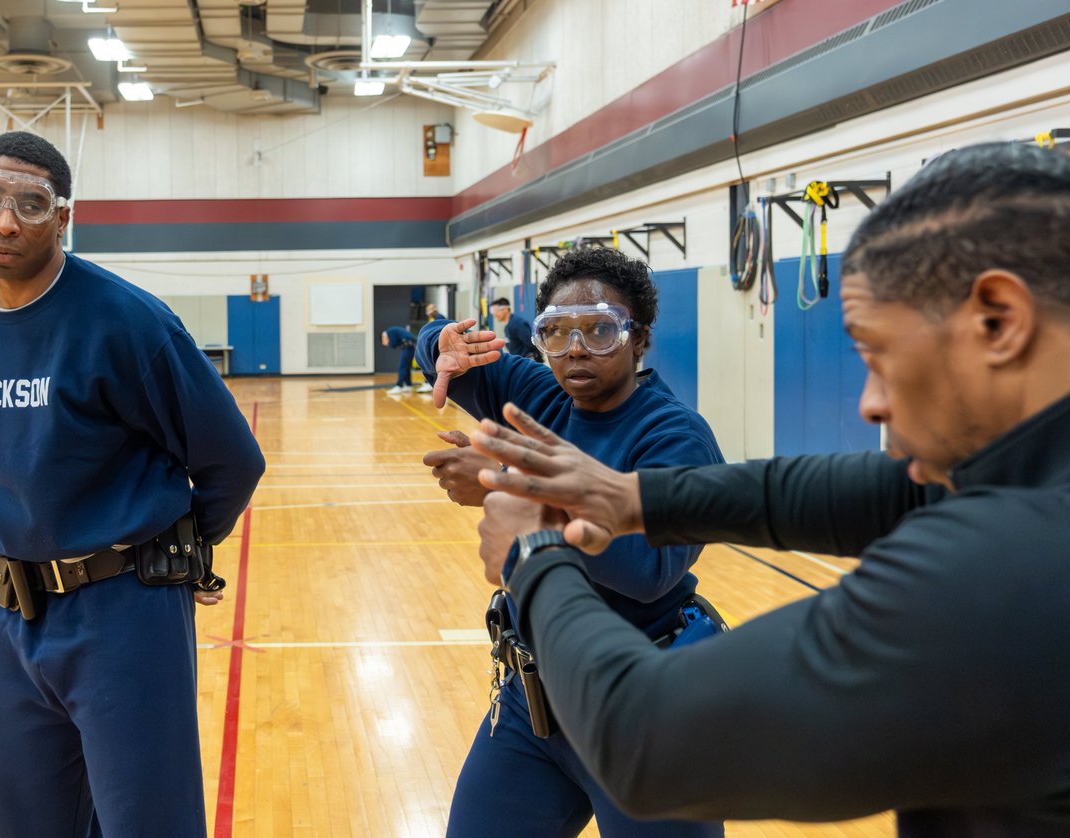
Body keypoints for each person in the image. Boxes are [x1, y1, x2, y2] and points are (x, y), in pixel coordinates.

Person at [466, 142, 1070, 837]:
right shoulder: (1030, 482)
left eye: (878, 354)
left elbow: (648, 743)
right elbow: (870, 491)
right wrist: (634, 499)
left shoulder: (1010, 571)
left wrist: (533, 556)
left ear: (998, 319)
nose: (871, 403)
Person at [0, 131, 265, 836]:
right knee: (25, 822)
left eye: (31, 204)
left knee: (148, 821)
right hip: (14, 613)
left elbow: (233, 459)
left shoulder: (126, 320)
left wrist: (180, 551)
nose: (5, 221)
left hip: (122, 614)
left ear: (62, 217)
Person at [418, 247, 725, 838]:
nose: (575, 348)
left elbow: (647, 569)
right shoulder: (539, 396)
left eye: (600, 330)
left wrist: (506, 486)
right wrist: (440, 344)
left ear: (639, 338)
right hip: (533, 704)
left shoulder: (675, 436)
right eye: (556, 332)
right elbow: (436, 350)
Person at [490, 296, 542, 361]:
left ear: (505, 309)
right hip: (519, 362)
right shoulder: (508, 327)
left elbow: (531, 343)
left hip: (527, 363)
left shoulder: (517, 323)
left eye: (496, 311)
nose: (495, 314)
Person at [381, 325, 418, 395]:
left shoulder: (389, 332)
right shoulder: (391, 330)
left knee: (402, 366)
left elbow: (394, 344)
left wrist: (388, 343)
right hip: (410, 347)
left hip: (408, 347)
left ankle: (399, 385)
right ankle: (408, 385)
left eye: (383, 340)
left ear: (384, 336)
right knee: (406, 367)